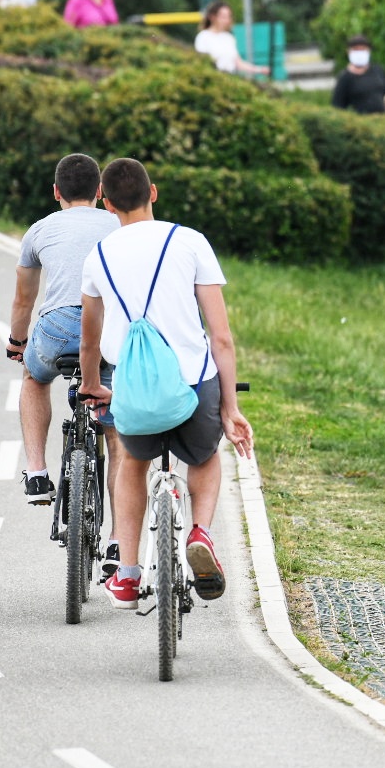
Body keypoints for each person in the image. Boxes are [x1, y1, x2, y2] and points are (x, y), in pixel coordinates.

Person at [79, 158, 254, 608]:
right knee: (204, 456)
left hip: (133, 390)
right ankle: (201, 533)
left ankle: (128, 574)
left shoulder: (98, 255)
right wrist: (230, 408)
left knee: (133, 463)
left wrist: (94, 385)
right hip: (193, 386)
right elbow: (221, 338)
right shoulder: (189, 241)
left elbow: (90, 338)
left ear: (106, 203)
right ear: (153, 192)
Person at [7, 154, 123, 513]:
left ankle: (36, 473)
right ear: (100, 191)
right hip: (107, 332)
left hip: (57, 328)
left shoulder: (40, 229)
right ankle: (119, 536)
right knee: (118, 432)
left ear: (56, 191)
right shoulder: (120, 225)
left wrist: (17, 343)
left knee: (33, 377)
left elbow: (24, 300)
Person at [193, 0, 269, 77]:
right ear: (212, 17)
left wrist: (260, 69)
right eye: (223, 17)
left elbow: (238, 63)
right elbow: (203, 63)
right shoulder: (203, 37)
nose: (227, 20)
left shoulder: (229, 38)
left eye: (228, 17)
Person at [330, 34, 385, 115]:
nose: (359, 52)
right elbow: (337, 107)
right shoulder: (345, 77)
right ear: (348, 52)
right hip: (361, 121)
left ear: (369, 51)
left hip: (382, 119)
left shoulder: (378, 71)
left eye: (363, 49)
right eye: (356, 49)